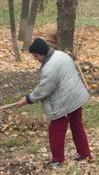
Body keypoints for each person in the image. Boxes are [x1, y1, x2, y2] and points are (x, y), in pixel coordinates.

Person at [12, 38, 93, 167]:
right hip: (76, 98)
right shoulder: (61, 54)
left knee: (56, 131)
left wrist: (28, 99)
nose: (35, 59)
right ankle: (85, 155)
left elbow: (44, 89)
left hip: (64, 104)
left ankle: (58, 160)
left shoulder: (50, 67)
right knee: (77, 127)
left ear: (41, 53)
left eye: (36, 56)